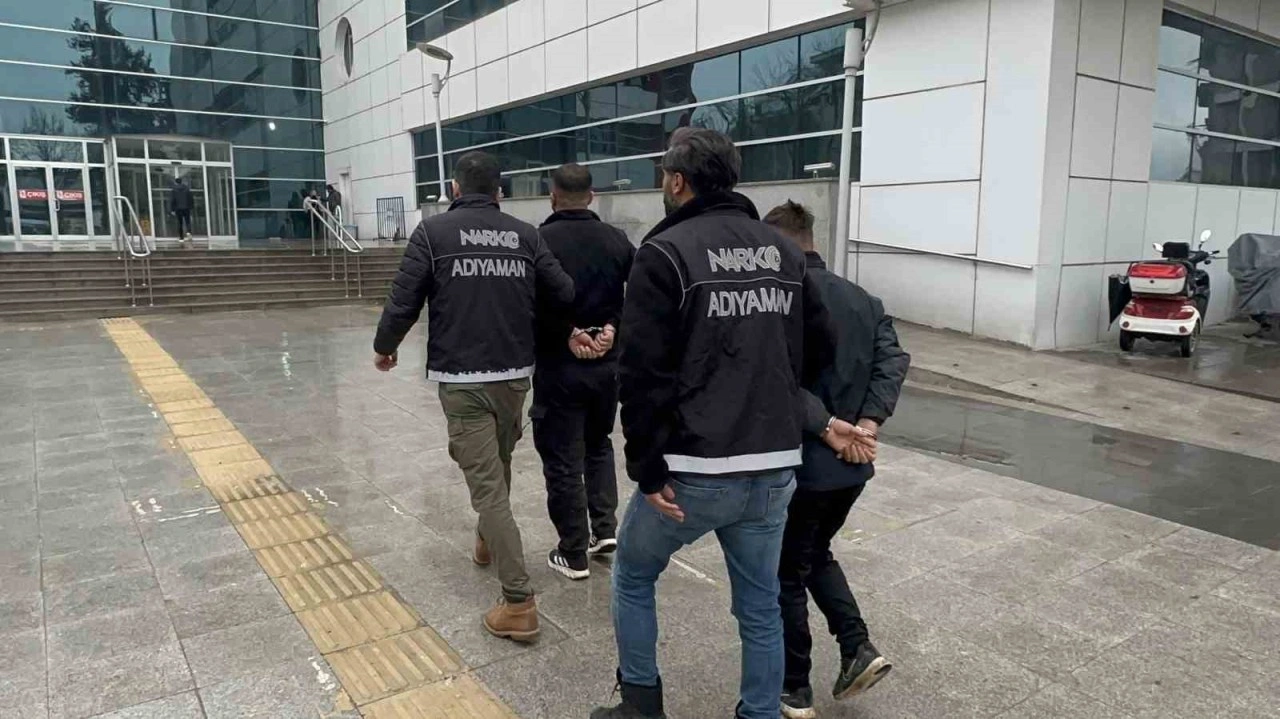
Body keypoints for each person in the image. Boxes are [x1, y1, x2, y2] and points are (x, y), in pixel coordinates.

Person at [592, 128, 833, 719]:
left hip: (693, 470)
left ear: (678, 182)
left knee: (633, 574)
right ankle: (760, 712)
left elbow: (641, 373)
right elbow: (820, 347)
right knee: (760, 604)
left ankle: (641, 704)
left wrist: (646, 469)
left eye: (663, 177)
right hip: (773, 466)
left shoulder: (665, 253)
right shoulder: (783, 251)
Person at [372, 151, 574, 642]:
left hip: (462, 377)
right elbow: (563, 292)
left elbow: (404, 299)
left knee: (488, 486)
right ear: (499, 192)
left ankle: (518, 602)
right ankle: (487, 537)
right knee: (496, 464)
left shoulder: (432, 233)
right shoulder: (525, 235)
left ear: (455, 189)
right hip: (514, 376)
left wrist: (385, 346)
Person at [762, 201, 910, 719]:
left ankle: (794, 687)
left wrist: (831, 429)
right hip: (852, 465)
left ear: (776, 243)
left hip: (803, 462)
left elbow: (777, 376)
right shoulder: (863, 298)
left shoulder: (782, 299)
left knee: (786, 571)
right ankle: (856, 647)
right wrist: (868, 425)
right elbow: (893, 360)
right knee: (813, 554)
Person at [531, 164, 635, 580]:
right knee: (598, 445)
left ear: (552, 196)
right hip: (606, 369)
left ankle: (572, 551)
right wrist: (613, 328)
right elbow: (643, 293)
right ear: (592, 196)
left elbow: (530, 304)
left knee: (562, 458)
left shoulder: (539, 241)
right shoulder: (616, 240)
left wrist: (568, 332)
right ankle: (604, 529)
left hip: (559, 368)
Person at [171, 175, 193, 240]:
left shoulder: (174, 190)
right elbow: (190, 198)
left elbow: (173, 200)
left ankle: (181, 238)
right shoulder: (187, 189)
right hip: (186, 207)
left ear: (176, 182)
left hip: (178, 208)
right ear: (181, 182)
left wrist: (172, 209)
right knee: (187, 221)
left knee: (180, 223)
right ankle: (188, 231)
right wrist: (191, 206)